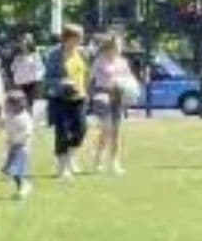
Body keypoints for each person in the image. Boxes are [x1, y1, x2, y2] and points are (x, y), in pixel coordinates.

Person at [87, 32, 138, 174]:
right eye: (118, 45)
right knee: (107, 128)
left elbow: (129, 78)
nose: (120, 48)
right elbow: (90, 78)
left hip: (118, 95)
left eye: (121, 45)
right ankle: (99, 158)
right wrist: (89, 95)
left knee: (116, 130)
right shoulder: (99, 60)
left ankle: (115, 162)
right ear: (111, 46)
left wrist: (129, 88)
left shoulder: (123, 62)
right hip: (102, 94)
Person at [44, 24, 89, 179]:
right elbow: (47, 79)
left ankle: (71, 157)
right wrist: (62, 82)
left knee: (81, 129)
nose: (81, 40)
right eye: (78, 37)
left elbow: (85, 74)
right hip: (60, 98)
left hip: (79, 98)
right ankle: (62, 167)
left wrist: (87, 90)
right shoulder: (54, 55)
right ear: (68, 38)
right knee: (62, 132)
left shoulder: (82, 53)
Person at [0, 90, 32, 200]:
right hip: (12, 147)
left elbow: (27, 132)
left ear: (17, 105)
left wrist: (18, 140)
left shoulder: (24, 117)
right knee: (8, 170)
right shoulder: (10, 115)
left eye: (8, 104)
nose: (6, 106)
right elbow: (3, 124)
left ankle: (24, 188)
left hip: (22, 148)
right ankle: (22, 187)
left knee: (17, 170)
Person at [10, 31, 44, 116]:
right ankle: (21, 118)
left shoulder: (35, 55)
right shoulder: (17, 56)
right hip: (20, 83)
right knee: (20, 102)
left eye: (24, 42)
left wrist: (36, 78)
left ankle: (29, 118)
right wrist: (18, 63)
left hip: (32, 83)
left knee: (29, 102)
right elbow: (12, 68)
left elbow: (40, 68)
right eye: (21, 42)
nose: (23, 45)